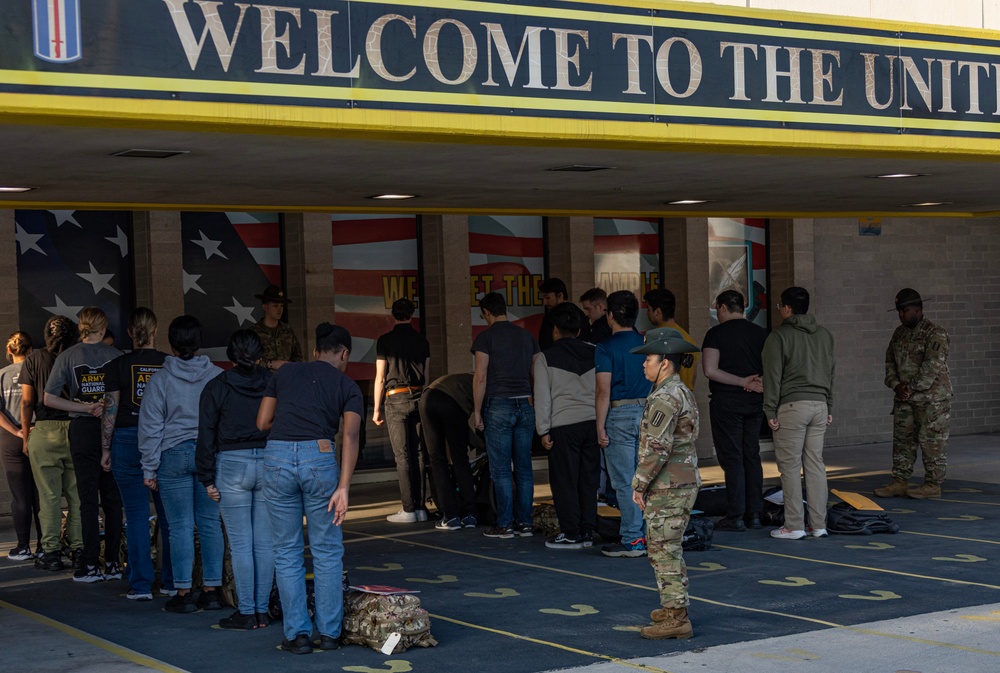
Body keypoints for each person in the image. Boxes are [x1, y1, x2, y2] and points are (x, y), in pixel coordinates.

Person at [256, 323, 362, 655]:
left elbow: (262, 423)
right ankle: (330, 634)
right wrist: (343, 487)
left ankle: (298, 636)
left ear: (315, 351)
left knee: (287, 552)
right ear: (344, 354)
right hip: (320, 458)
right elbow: (350, 436)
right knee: (327, 551)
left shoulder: (285, 373)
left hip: (277, 456)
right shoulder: (347, 384)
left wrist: (290, 427)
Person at [139, 315, 224, 613]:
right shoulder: (216, 375)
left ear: (171, 345)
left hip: (172, 456)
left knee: (180, 527)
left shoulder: (160, 380)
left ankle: (184, 593)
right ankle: (212, 590)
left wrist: (149, 468)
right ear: (199, 343)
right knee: (211, 524)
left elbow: (150, 427)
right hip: (208, 456)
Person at [196, 329, 274, 629]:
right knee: (265, 544)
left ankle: (247, 611)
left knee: (241, 545)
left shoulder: (217, 386)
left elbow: (206, 435)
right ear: (260, 354)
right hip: (268, 461)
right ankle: (263, 610)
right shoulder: (272, 381)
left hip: (231, 463)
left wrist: (206, 478)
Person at [629, 328, 701, 640]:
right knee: (665, 546)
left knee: (663, 549)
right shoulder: (678, 390)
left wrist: (639, 484)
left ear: (665, 363)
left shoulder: (665, 397)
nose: (644, 364)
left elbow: (657, 447)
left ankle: (677, 617)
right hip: (677, 481)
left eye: (649, 358)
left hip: (668, 485)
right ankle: (673, 608)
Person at [43, 307, 123, 583]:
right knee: (112, 499)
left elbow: (48, 399)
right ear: (103, 328)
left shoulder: (67, 356)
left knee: (87, 499)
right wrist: (103, 408)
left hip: (83, 428)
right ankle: (112, 561)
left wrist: (81, 407)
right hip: (111, 428)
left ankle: (91, 563)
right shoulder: (116, 356)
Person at [101, 307, 176, 601]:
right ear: (155, 331)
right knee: (169, 516)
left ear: (130, 332)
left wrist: (106, 447)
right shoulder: (169, 364)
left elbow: (110, 410)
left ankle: (142, 584)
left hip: (126, 440)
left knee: (134, 514)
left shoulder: (117, 365)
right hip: (163, 441)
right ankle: (173, 581)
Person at [762, 287, 835, 540]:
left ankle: (794, 525)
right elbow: (830, 372)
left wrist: (769, 409)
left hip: (792, 406)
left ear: (787, 308)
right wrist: (829, 404)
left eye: (780, 305)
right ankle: (819, 524)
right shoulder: (825, 335)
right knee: (815, 465)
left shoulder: (779, 336)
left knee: (791, 467)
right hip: (819, 405)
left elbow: (773, 376)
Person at [472, 292, 540, 539]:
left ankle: (505, 524)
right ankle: (526, 523)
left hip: (498, 405)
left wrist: (477, 411)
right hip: (525, 404)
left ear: (487, 313)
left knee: (500, 470)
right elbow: (536, 373)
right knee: (523, 468)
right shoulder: (526, 336)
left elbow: (480, 376)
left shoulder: (485, 338)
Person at [875, 288, 952, 500]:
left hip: (931, 400)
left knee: (932, 441)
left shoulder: (935, 333)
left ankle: (932, 484)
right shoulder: (899, 334)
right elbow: (889, 361)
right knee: (903, 441)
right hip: (904, 398)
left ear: (918, 310)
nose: (901, 315)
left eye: (905, 310)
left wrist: (910, 387)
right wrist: (895, 384)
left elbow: (932, 366)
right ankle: (900, 481)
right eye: (899, 311)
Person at [533, 304, 599, 549]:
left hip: (563, 425)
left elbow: (542, 396)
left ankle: (570, 532)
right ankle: (587, 531)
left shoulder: (545, 357)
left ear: (555, 330)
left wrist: (543, 430)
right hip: (593, 423)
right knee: (588, 479)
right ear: (580, 330)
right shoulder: (596, 352)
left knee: (564, 481)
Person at [701, 291, 768, 531]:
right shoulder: (761, 333)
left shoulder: (715, 334)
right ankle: (756, 514)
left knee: (732, 458)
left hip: (727, 402)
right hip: (754, 402)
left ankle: (736, 515)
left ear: (721, 307)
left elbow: (710, 370)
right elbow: (771, 366)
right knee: (751, 455)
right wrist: (755, 383)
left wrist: (741, 382)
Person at [21, 316, 83, 572]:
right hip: (77, 428)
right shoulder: (78, 358)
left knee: (48, 497)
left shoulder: (33, 360)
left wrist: (25, 436)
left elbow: (27, 402)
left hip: (44, 431)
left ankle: (51, 552)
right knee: (77, 496)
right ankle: (80, 549)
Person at [595, 290, 649, 558]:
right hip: (650, 414)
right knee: (648, 478)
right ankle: (650, 534)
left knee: (625, 482)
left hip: (619, 415)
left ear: (611, 315)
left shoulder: (605, 348)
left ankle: (632, 539)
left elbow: (603, 392)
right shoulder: (648, 342)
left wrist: (599, 426)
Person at [372, 298, 431, 523]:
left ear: (392, 315)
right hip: (418, 396)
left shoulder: (385, 340)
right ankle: (420, 507)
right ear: (412, 315)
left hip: (395, 398)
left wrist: (376, 409)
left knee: (402, 455)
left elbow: (380, 377)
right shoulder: (422, 341)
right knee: (418, 454)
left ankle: (407, 509)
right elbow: (426, 377)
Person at [421, 373, 481, 530]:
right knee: (460, 458)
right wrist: (482, 445)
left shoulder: (467, 378)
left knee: (437, 459)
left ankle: (450, 516)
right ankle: (470, 515)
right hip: (451, 402)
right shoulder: (486, 384)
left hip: (428, 398)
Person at [0, 332, 42, 561]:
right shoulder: (37, 372)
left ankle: (23, 545)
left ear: (9, 351)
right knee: (42, 494)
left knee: (20, 496)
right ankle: (46, 546)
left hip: (11, 436)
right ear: (31, 350)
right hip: (37, 432)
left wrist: (17, 431)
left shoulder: (2, 375)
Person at [644, 289, 699, 391]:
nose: (647, 314)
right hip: (685, 397)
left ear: (658, 312)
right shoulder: (689, 339)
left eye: (648, 309)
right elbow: (693, 376)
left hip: (664, 397)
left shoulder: (655, 339)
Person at [251, 284, 302, 371]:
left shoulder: (288, 331)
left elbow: (298, 356)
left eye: (281, 306)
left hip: (285, 380)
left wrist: (290, 366)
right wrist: (270, 364)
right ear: (265, 307)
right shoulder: (253, 332)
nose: (279, 309)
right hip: (262, 382)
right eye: (275, 306)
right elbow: (248, 360)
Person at [538, 277, 590, 350]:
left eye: (547, 298)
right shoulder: (580, 313)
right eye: (542, 298)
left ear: (560, 295)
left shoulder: (551, 317)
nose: (544, 302)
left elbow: (544, 344)